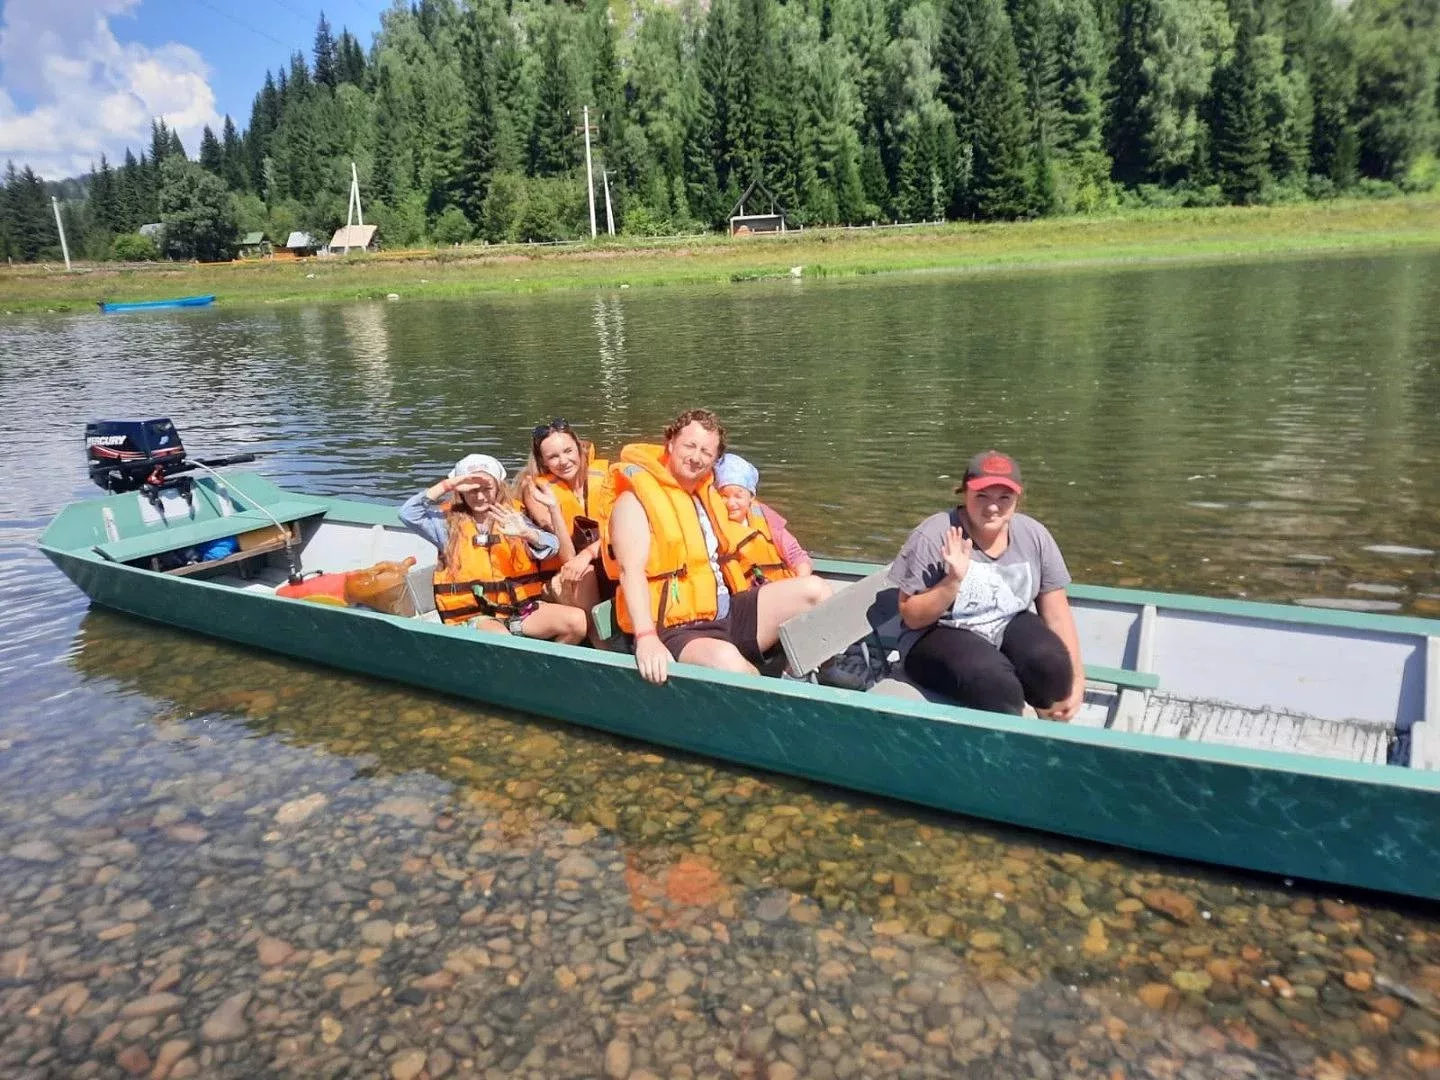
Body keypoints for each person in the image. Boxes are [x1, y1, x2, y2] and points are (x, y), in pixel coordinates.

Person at [602, 409, 830, 684]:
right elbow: (630, 572)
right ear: (671, 442)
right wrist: (646, 638)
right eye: (690, 446)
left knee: (816, 591)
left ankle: (798, 677)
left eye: (706, 452)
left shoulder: (707, 495)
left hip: (724, 613)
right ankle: (770, 698)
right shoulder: (634, 501)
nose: (697, 457)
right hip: (673, 629)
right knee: (726, 660)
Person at [889, 450, 1084, 720]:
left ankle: (1043, 717)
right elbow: (911, 617)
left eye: (1004, 497)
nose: (993, 507)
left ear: (1018, 498)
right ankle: (1009, 728)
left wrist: (1077, 682)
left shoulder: (1033, 534)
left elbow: (1057, 614)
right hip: (936, 632)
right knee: (995, 685)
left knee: (1054, 670)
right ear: (964, 493)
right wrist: (952, 581)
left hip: (1005, 621)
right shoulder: (934, 534)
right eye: (982, 496)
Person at [400, 453, 586, 644]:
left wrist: (527, 534)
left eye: (487, 488)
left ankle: (544, 668)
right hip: (475, 616)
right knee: (502, 639)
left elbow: (553, 546)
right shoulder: (444, 524)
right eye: (472, 490)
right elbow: (407, 514)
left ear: (498, 486)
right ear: (461, 491)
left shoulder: (512, 515)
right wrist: (448, 485)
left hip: (519, 610)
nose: (480, 497)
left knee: (577, 622)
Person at [518, 418, 612, 640]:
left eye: (568, 451)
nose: (563, 461)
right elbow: (567, 558)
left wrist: (589, 553)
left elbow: (619, 532)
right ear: (543, 461)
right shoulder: (536, 490)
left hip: (606, 563)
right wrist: (554, 509)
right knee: (582, 574)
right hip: (560, 577)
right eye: (553, 457)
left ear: (579, 448)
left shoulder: (608, 477)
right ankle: (605, 651)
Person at [713, 453, 822, 584]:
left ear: (751, 497)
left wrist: (801, 581)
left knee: (815, 586)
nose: (731, 503)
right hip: (747, 596)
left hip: (781, 586)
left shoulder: (763, 515)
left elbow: (796, 555)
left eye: (738, 496)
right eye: (724, 496)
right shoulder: (711, 526)